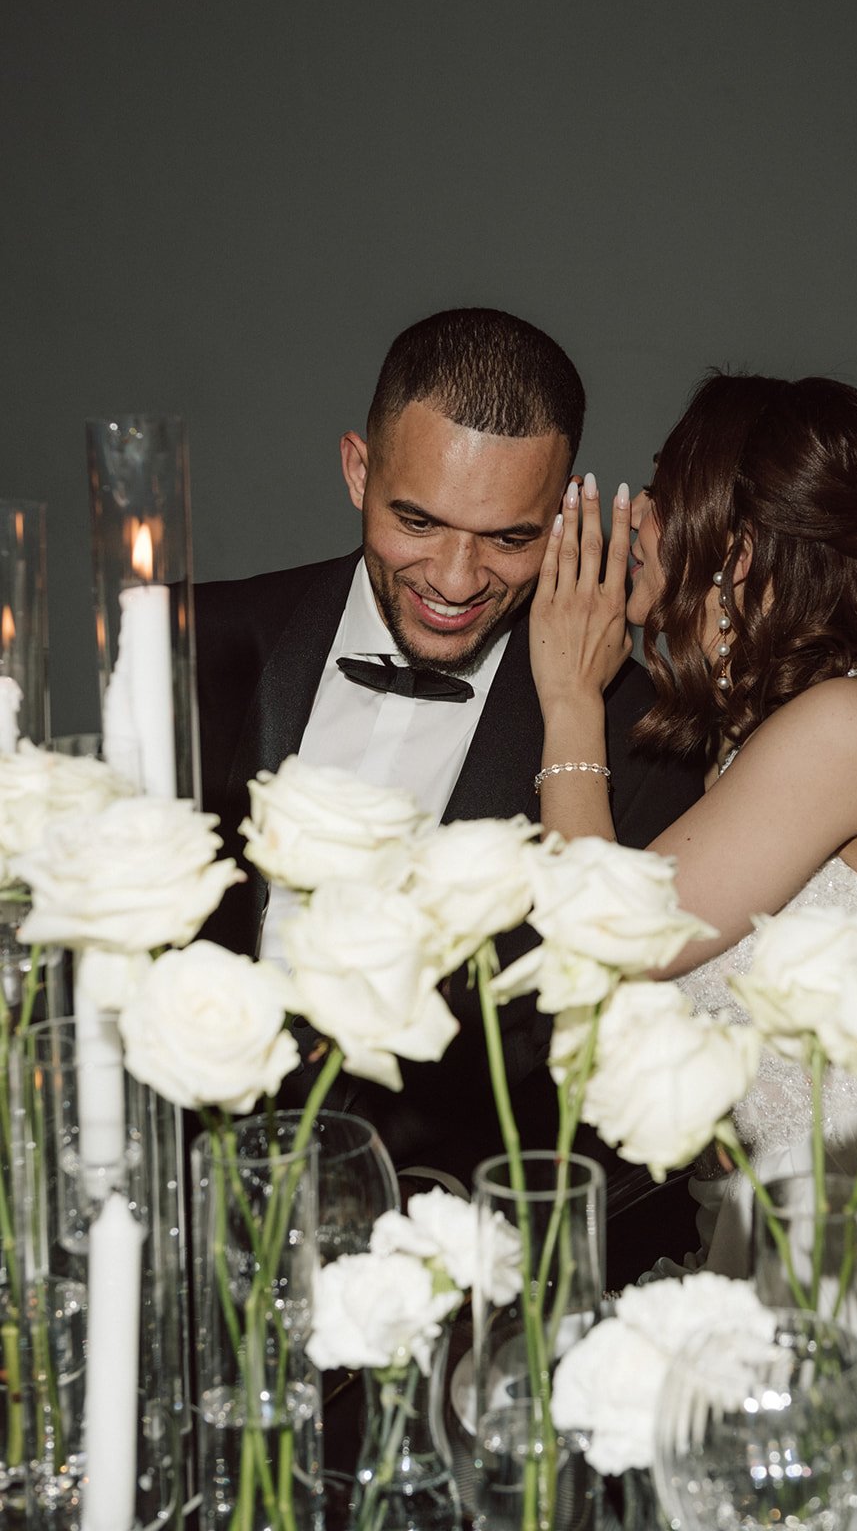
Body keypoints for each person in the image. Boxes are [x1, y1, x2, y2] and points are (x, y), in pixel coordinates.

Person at [194, 307, 705, 1198]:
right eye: (419, 522)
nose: (456, 580)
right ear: (358, 471)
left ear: (563, 516)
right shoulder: (196, 645)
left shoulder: (640, 738)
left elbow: (618, 1088)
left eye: (510, 537)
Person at [528, 370, 857, 1375]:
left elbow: (607, 944)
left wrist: (568, 700)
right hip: (772, 1251)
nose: (638, 519)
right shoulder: (763, 739)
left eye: (661, 490)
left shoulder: (849, 724)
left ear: (733, 544)